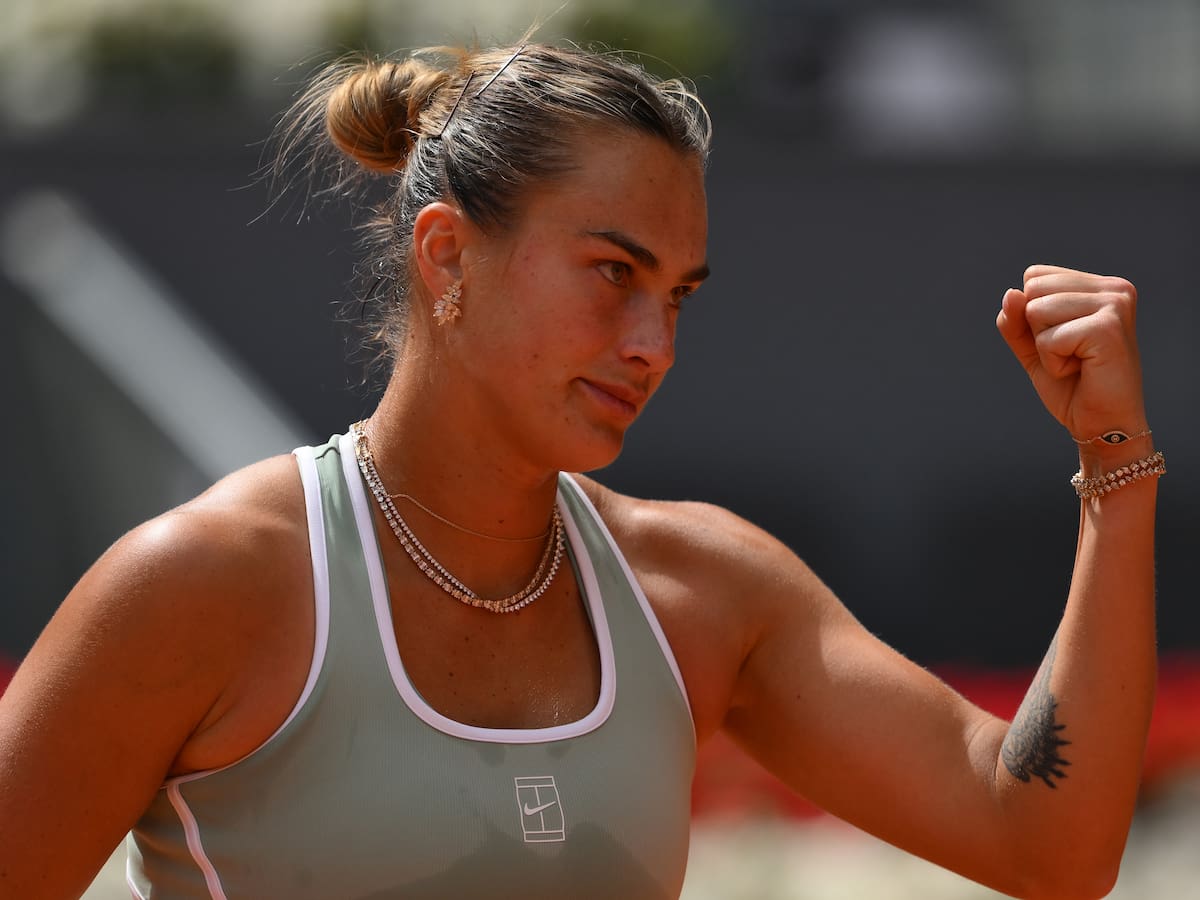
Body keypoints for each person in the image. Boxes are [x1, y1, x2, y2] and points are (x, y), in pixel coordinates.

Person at [0, 40, 1161, 900]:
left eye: (679, 296)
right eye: (614, 271)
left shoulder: (703, 592)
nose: (654, 343)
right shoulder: (200, 585)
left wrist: (1117, 467)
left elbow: (1045, 843)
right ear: (447, 254)